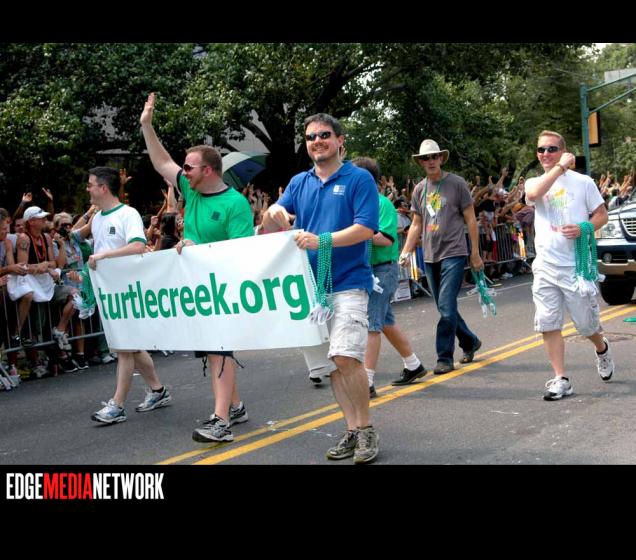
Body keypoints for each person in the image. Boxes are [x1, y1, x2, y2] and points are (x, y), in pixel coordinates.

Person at [263, 113, 380, 464]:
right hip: (312, 291)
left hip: (349, 283)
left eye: (324, 135)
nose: (317, 141)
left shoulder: (358, 179)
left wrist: (322, 240)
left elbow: (365, 229)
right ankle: (351, 430)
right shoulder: (299, 182)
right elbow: (273, 219)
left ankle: (366, 429)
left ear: (340, 140)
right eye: (311, 137)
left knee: (345, 357)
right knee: (332, 367)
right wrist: (275, 211)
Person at [140, 92, 252, 443]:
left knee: (220, 349)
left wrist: (198, 250)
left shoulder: (235, 204)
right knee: (215, 351)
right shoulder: (191, 192)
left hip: (225, 290)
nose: (182, 172)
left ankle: (221, 421)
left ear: (208, 170)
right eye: (184, 168)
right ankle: (235, 406)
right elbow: (161, 161)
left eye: (188, 167)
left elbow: (241, 252)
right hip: (198, 289)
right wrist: (146, 125)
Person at [75, 167, 172, 424]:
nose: (88, 189)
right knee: (131, 346)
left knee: (124, 348)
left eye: (91, 184)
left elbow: (138, 245)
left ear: (103, 188)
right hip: (110, 293)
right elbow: (75, 237)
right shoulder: (97, 218)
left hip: (128, 291)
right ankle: (158, 390)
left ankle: (117, 405)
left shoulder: (127, 214)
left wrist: (104, 255)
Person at [524, 130, 613, 401]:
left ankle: (601, 348)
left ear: (563, 150)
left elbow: (602, 215)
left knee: (586, 326)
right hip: (545, 265)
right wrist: (560, 168)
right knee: (547, 322)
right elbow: (535, 194)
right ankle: (561, 378)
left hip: (576, 267)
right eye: (541, 150)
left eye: (552, 149)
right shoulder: (534, 182)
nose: (545, 154)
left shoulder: (583, 182)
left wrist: (584, 227)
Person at [399, 139, 483, 376]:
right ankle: (470, 341)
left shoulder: (457, 183)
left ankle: (444, 357)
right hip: (430, 255)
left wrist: (475, 253)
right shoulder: (419, 189)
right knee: (444, 307)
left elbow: (470, 219)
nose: (431, 161)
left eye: (434, 156)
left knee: (446, 305)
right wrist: (406, 251)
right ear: (421, 162)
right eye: (426, 158)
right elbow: (416, 224)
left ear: (441, 158)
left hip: (454, 252)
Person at [351, 157, 426, 397]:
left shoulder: (381, 203)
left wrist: (357, 233)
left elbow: (385, 239)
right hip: (368, 270)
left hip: (382, 271)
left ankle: (367, 382)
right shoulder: (358, 204)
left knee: (371, 324)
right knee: (385, 321)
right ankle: (413, 365)